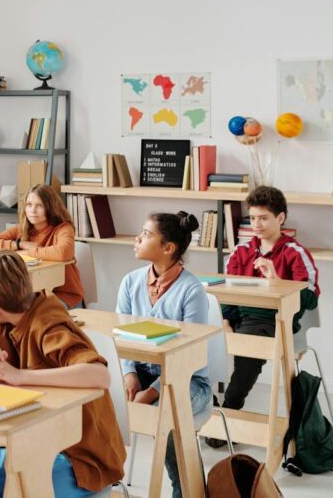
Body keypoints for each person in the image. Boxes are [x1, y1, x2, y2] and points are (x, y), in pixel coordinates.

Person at [0, 251, 126, 497]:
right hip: (38, 442)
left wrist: (18, 376)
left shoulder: (49, 326)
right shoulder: (3, 321)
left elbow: (99, 375)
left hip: (82, 459)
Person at [208, 185, 319, 446]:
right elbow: (225, 293)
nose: (256, 224)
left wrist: (276, 281)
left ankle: (228, 412)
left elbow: (310, 298)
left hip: (273, 320)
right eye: (253, 218)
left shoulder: (295, 253)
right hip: (236, 317)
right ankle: (204, 407)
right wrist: (225, 321)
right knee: (191, 337)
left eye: (264, 218)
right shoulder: (240, 252)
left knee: (249, 344)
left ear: (280, 218)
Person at [117, 212, 211, 498]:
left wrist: (152, 392)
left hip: (188, 381)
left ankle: (186, 492)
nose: (137, 238)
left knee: (166, 420)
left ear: (168, 248)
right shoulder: (130, 282)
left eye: (146, 235)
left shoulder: (191, 291)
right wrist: (129, 373)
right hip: (141, 374)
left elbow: (190, 357)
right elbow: (119, 336)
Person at [0, 184, 85, 308]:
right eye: (29, 205)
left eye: (39, 205)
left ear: (51, 208)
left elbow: (63, 253)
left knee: (34, 313)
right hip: (30, 295)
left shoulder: (63, 228)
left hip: (63, 295)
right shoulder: (21, 229)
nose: (32, 210)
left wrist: (27, 252)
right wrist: (19, 244)